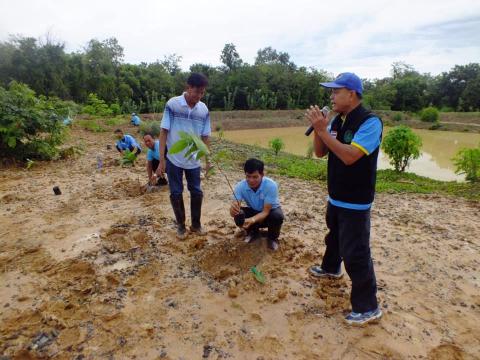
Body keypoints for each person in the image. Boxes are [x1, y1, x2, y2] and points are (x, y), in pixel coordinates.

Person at [305, 72, 383, 325]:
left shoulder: (370, 122)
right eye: (331, 92)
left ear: (351, 94)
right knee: (334, 237)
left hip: (356, 201)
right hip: (336, 196)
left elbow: (350, 156)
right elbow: (320, 152)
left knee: (356, 252)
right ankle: (330, 268)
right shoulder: (338, 120)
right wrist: (322, 130)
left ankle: (368, 306)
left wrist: (322, 129)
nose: (331, 96)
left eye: (335, 91)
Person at [158, 73, 212, 239]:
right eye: (197, 92)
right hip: (174, 159)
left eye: (202, 93)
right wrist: (162, 160)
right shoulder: (172, 105)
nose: (199, 96)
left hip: (193, 160)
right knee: (175, 192)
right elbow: (163, 132)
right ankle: (181, 225)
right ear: (188, 88)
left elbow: (205, 137)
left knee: (196, 192)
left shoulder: (203, 110)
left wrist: (207, 160)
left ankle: (196, 224)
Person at [230, 158, 284, 251]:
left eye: (255, 177)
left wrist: (252, 219)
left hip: (269, 213)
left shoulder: (271, 185)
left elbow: (265, 212)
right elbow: (234, 210)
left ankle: (272, 238)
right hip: (254, 210)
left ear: (262, 175)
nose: (251, 180)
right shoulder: (240, 186)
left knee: (277, 216)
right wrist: (233, 210)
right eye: (248, 176)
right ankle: (253, 233)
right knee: (239, 214)